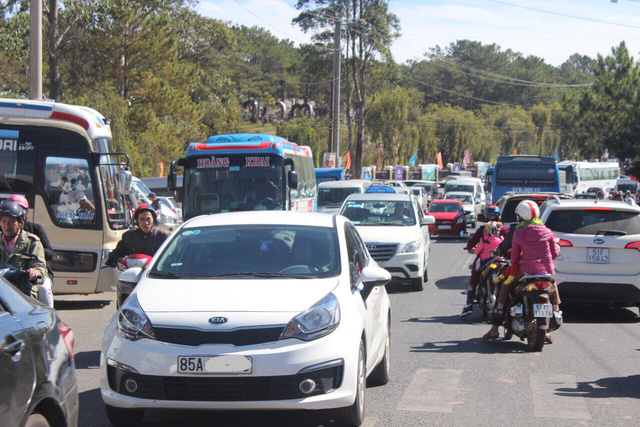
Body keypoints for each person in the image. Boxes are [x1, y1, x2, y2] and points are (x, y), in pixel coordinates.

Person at [483, 200, 560, 342]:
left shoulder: (519, 231)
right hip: (546, 271)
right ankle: (555, 308)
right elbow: (554, 254)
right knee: (553, 283)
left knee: (505, 283)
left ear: (521, 216)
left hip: (526, 270)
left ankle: (496, 321)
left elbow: (514, 257)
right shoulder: (547, 231)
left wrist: (515, 263)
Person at [7, 194, 55, 307]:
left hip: (32, 272)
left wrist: (33, 252)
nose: (7, 225)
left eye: (20, 209)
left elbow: (49, 253)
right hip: (8, 273)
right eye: (4, 220)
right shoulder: (3, 232)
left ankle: (48, 318)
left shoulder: (35, 233)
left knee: (43, 287)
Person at [0, 201, 48, 299]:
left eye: (11, 221)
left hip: (23, 291)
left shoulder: (32, 242)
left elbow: (40, 266)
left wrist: (34, 272)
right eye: (3, 221)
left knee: (45, 292)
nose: (7, 225)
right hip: (2, 290)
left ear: (20, 222)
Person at [461, 221, 504, 317]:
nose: (497, 232)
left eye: (497, 230)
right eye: (495, 230)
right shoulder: (502, 238)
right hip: (500, 262)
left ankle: (469, 304)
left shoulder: (484, 239)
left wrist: (474, 249)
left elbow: (477, 252)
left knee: (474, 277)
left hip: (486, 262)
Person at [462, 205, 507, 294]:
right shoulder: (504, 229)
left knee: (476, 269)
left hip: (486, 258)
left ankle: (471, 289)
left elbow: (473, 241)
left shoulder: (483, 230)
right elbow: (511, 242)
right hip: (501, 257)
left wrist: (470, 247)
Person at [105, 204, 170, 267]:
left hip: (154, 275)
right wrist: (113, 258)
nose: (146, 223)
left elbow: (172, 256)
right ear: (137, 220)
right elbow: (118, 252)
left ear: (153, 219)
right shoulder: (128, 237)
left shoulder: (163, 236)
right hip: (133, 274)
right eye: (142, 219)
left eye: (148, 219)